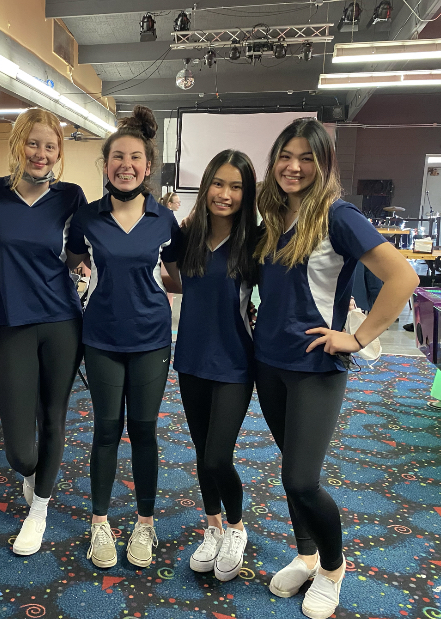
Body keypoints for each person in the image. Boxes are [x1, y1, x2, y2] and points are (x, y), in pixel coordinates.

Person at [253, 118, 418, 619]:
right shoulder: (272, 215)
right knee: (289, 473)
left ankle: (332, 566)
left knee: (303, 479)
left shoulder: (338, 217)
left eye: (307, 157)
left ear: (323, 165)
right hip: (269, 363)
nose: (294, 166)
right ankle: (305, 554)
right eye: (286, 155)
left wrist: (359, 336)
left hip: (317, 368)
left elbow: (403, 276)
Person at [66, 105, 180, 569]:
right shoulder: (88, 218)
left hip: (153, 338)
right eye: (117, 157)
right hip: (102, 339)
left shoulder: (163, 221)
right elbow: (73, 259)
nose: (126, 165)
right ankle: (99, 524)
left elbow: (175, 276)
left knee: (146, 431)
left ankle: (145, 523)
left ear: (148, 167)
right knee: (107, 430)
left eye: (135, 157)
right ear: (106, 163)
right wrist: (89, 281)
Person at [0, 108, 86, 556]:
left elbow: (84, 254)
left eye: (50, 146)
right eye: (33, 143)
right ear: (18, 143)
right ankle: (31, 473)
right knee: (21, 448)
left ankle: (39, 509)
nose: (41, 153)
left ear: (59, 152)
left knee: (54, 417)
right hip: (13, 323)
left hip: (62, 320)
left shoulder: (71, 196)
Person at [174, 150, 259, 580]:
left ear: (247, 194)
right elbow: (172, 279)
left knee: (216, 456)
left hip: (234, 363)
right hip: (189, 358)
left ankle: (237, 527)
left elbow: (286, 289)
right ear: (206, 185)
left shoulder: (255, 241)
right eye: (218, 183)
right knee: (201, 451)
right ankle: (211, 528)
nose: (224, 194)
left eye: (236, 186)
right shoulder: (188, 235)